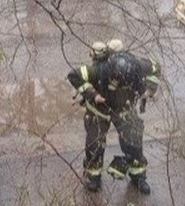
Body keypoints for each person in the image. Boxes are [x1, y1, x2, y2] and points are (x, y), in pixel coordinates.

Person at [67, 40, 161, 195]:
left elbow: (156, 68)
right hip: (99, 111)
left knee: (133, 143)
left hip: (124, 110)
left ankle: (138, 176)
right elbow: (74, 75)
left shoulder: (137, 65)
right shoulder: (98, 69)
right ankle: (93, 177)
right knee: (94, 144)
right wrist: (93, 94)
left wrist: (150, 90)